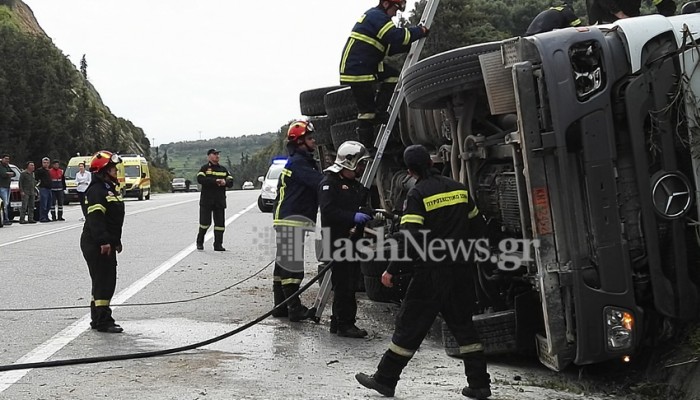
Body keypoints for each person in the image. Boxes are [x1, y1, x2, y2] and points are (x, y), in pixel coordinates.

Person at [356, 145, 491, 399]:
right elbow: (479, 228)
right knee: (464, 327)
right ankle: (479, 384)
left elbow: (410, 238)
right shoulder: (459, 189)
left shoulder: (417, 195)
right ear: (430, 162)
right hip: (461, 270)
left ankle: (385, 380)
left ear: (410, 170)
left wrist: (392, 270)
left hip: (430, 273)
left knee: (409, 325)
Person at [339, 0, 429, 151]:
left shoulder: (376, 18)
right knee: (367, 112)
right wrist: (419, 32)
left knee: (393, 76)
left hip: (366, 64)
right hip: (357, 69)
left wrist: (409, 45)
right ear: (386, 4)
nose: (396, 14)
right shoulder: (377, 17)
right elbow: (395, 36)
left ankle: (381, 112)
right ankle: (366, 147)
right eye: (395, 9)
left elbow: (389, 46)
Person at [319, 141, 373, 338]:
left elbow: (359, 204)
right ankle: (345, 324)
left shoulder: (353, 185)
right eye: (359, 165)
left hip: (352, 241)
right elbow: (328, 211)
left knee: (350, 281)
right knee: (344, 284)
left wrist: (365, 212)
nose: (361, 169)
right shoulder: (329, 183)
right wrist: (352, 217)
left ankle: (339, 321)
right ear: (349, 163)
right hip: (337, 240)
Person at [271, 120, 323, 321]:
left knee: (282, 265)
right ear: (300, 142)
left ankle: (280, 306)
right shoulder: (300, 164)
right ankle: (294, 309)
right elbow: (318, 183)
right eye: (309, 138)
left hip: (288, 219)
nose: (313, 141)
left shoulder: (299, 161)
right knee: (292, 267)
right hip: (293, 220)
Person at [81, 150, 125, 333]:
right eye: (112, 168)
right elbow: (96, 219)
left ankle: (97, 318)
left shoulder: (108, 189)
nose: (116, 171)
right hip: (96, 243)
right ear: (103, 170)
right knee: (105, 282)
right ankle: (103, 321)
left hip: (105, 242)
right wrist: (104, 242)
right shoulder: (97, 191)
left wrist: (116, 241)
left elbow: (113, 220)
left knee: (102, 281)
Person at [195, 148, 233, 251]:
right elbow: (200, 179)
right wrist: (215, 181)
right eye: (214, 154)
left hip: (219, 200)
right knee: (205, 223)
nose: (217, 156)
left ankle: (218, 244)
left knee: (220, 224)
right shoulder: (205, 168)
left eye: (218, 154)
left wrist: (225, 182)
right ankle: (199, 241)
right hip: (207, 200)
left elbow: (231, 180)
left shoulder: (223, 169)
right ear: (209, 156)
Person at [586, 0, 675, 23]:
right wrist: (621, 15)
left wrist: (667, 17)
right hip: (606, 22)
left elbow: (665, 5)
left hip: (630, 19)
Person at [35, 157, 52, 223]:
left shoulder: (49, 171)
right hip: (43, 188)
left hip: (49, 188)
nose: (46, 164)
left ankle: (46, 216)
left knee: (49, 204)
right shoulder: (40, 171)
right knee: (43, 204)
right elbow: (36, 179)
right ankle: (42, 217)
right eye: (44, 163)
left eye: (47, 163)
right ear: (42, 163)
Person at [0, 154, 15, 224]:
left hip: (8, 187)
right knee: (4, 204)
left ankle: (7, 218)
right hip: (2, 187)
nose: (7, 160)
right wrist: (8, 174)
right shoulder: (1, 166)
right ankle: (5, 219)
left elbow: (14, 173)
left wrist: (8, 173)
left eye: (8, 159)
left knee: (7, 204)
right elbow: (3, 174)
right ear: (2, 159)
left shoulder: (7, 166)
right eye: (5, 159)